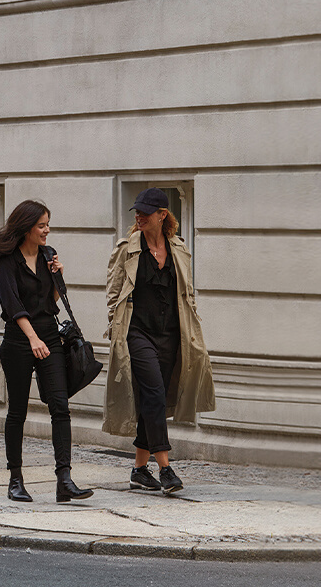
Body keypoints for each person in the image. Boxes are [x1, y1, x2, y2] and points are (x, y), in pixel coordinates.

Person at [102, 188, 216, 494]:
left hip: (171, 335)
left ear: (162, 215)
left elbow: (187, 293)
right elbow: (113, 294)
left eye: (145, 212)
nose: (139, 216)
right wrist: (116, 328)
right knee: (153, 392)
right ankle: (166, 469)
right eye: (137, 212)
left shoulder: (178, 248)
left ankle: (139, 470)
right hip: (137, 332)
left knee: (154, 400)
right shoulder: (127, 249)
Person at [0, 200, 93, 503]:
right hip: (19, 340)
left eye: (48, 225)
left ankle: (65, 480)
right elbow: (12, 304)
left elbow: (51, 300)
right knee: (18, 411)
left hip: (49, 335)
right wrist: (32, 339)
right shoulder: (8, 261)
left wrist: (59, 276)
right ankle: (15, 480)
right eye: (41, 225)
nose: (47, 230)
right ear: (27, 228)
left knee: (60, 406)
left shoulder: (48, 254)